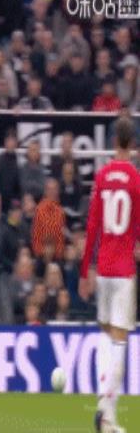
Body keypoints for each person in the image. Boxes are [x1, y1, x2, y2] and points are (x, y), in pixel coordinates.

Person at [79, 117, 140, 433]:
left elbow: (92, 226)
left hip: (102, 269)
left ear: (115, 140)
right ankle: (107, 413)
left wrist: (84, 270)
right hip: (124, 270)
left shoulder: (102, 176)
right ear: (134, 144)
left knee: (105, 337)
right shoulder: (136, 180)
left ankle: (105, 410)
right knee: (119, 342)